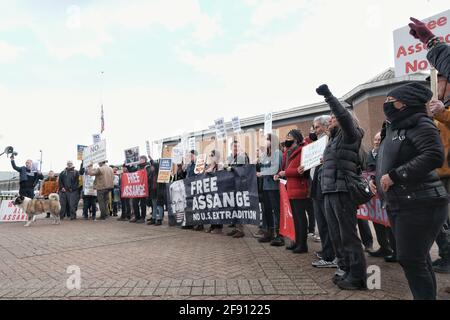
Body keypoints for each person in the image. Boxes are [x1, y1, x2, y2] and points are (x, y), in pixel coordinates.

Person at [371, 83, 448, 300]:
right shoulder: (395, 128)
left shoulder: (421, 124)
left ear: (403, 104)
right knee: (417, 258)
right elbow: (387, 161)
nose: (386, 105)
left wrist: (395, 176)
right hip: (402, 202)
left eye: (389, 101)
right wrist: (376, 179)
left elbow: (434, 155)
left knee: (411, 258)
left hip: (420, 202)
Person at [316, 84, 368, 291]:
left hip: (343, 191)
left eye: (333, 117)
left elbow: (343, 115)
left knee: (348, 234)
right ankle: (345, 268)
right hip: (329, 190)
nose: (331, 119)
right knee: (336, 234)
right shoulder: (334, 140)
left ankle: (357, 276)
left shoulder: (350, 134)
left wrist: (329, 97)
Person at [310, 115, 338, 269]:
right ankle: (327, 252)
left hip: (325, 186)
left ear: (326, 126)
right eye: (314, 127)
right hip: (317, 185)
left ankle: (331, 255)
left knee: (327, 223)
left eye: (317, 127)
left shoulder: (329, 141)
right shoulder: (317, 143)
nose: (315, 130)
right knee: (321, 223)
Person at [275, 130, 310, 254]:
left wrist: (286, 173)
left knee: (300, 218)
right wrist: (281, 175)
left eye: (289, 137)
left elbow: (302, 170)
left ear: (296, 139)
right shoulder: (290, 152)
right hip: (291, 187)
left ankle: (303, 244)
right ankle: (297, 241)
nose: (287, 139)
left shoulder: (302, 151)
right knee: (295, 218)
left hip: (299, 188)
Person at [366, 132, 396, 261]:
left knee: (388, 222)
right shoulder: (369, 154)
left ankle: (395, 250)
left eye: (379, 139)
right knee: (376, 220)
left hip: (386, 192)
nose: (377, 142)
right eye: (375, 139)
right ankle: (384, 246)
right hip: (373, 194)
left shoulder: (387, 153)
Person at [258, 134, 284, 246]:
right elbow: (263, 167)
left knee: (276, 210)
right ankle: (269, 232)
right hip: (266, 186)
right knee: (267, 210)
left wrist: (262, 173)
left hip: (274, 186)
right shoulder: (265, 154)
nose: (266, 142)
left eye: (268, 140)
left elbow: (275, 169)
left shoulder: (277, 153)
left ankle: (279, 235)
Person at [226, 140, 250, 239]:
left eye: (237, 147)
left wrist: (231, 169)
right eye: (234, 147)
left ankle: (241, 230)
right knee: (234, 207)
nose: (235, 149)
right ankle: (236, 227)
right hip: (233, 185)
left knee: (240, 207)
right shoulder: (232, 158)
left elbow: (243, 170)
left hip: (241, 185)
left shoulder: (242, 157)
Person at [204, 150, 224, 234]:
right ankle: (212, 225)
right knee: (211, 209)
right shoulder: (211, 165)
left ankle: (218, 227)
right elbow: (205, 172)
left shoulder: (221, 165)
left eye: (212, 155)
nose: (211, 157)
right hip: (211, 190)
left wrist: (213, 168)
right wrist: (210, 167)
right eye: (210, 155)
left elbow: (222, 175)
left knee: (218, 209)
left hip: (219, 190)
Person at [130, 156, 151, 224]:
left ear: (145, 160)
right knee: (134, 202)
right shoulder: (138, 166)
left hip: (143, 187)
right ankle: (137, 216)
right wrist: (129, 166)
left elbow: (148, 175)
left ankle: (142, 217)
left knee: (143, 204)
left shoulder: (148, 166)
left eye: (141, 159)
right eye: (140, 159)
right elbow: (132, 172)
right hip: (137, 188)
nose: (140, 160)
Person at [147, 160, 165, 226]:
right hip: (153, 191)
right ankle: (154, 218)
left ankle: (159, 219)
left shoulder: (160, 175)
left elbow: (163, 184)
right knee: (154, 205)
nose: (151, 168)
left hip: (159, 191)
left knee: (159, 206)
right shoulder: (151, 174)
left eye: (152, 166)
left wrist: (161, 192)